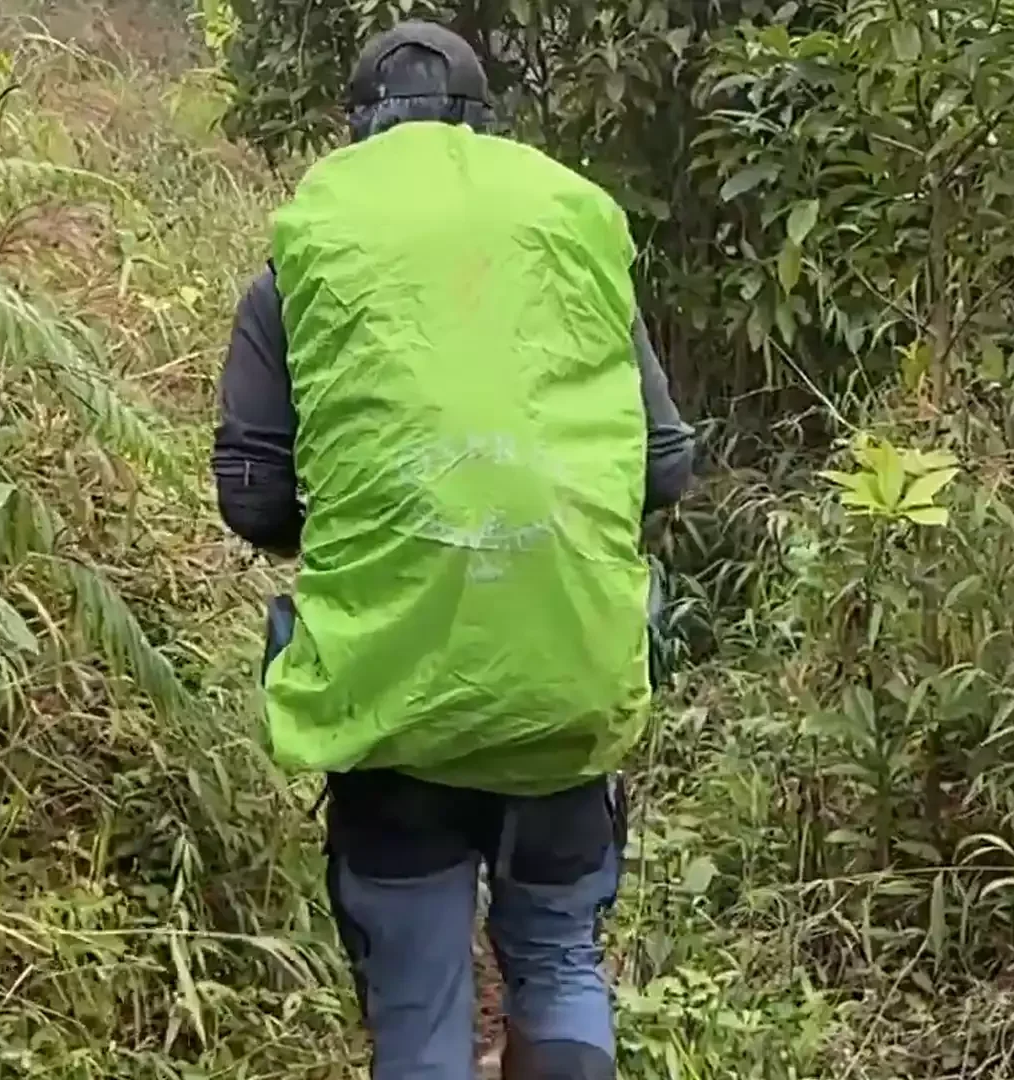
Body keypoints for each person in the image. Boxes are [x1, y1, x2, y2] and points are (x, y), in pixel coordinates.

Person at [211, 19, 695, 1080]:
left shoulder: (305, 259)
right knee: (559, 962)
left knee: (420, 1012)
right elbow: (664, 466)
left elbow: (252, 496)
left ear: (357, 130)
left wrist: (377, 524)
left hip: (393, 704)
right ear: (486, 125)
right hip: (565, 691)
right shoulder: (568, 237)